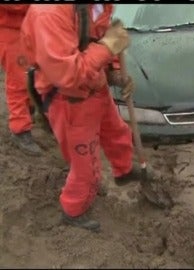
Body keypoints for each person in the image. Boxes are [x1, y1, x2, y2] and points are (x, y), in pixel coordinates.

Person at [20, 4, 151, 232]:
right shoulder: (48, 14)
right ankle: (73, 210)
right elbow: (68, 75)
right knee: (86, 166)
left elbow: (96, 36)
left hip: (95, 86)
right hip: (69, 99)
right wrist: (108, 47)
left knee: (118, 133)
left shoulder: (99, 6)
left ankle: (124, 171)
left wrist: (115, 73)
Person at [0, 4, 42, 156]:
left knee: (36, 75)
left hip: (31, 27)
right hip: (11, 30)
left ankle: (30, 113)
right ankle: (20, 129)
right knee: (20, 81)